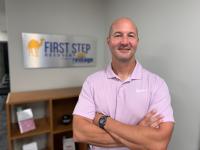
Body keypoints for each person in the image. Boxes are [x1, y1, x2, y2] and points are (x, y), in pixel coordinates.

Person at [73, 17, 175, 150]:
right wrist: (139, 133)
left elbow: (159, 143)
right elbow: (80, 132)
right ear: (108, 41)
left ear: (137, 42)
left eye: (131, 35)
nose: (125, 41)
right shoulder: (92, 82)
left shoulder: (157, 84)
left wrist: (103, 120)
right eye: (118, 35)